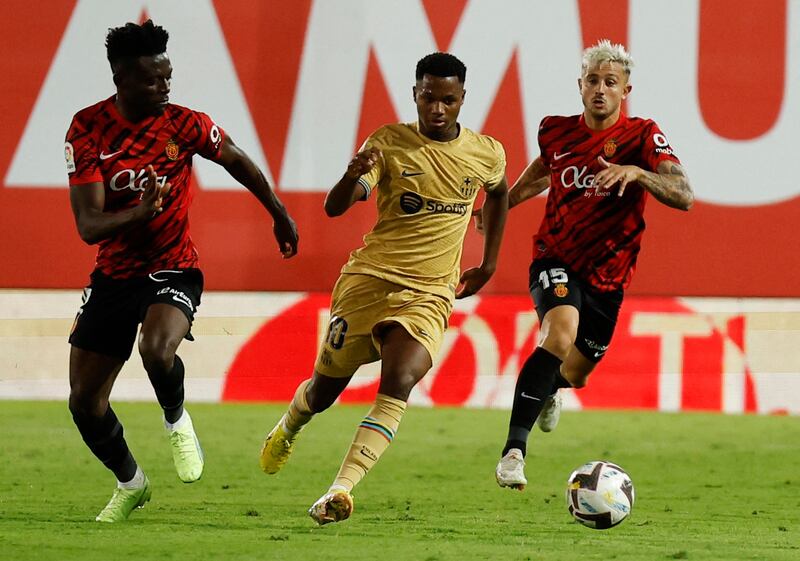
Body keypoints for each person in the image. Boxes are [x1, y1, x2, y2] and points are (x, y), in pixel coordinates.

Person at [259, 52, 509, 524]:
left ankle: (340, 489)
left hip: (431, 292)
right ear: (415, 93)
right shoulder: (389, 143)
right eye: (429, 97)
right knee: (324, 391)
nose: (438, 108)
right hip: (369, 282)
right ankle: (290, 425)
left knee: (401, 379)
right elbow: (337, 207)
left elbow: (499, 193)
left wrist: (489, 262)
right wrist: (352, 176)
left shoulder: (487, 152)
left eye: (448, 100)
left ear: (462, 100)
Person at [64, 20, 298, 522]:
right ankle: (131, 483)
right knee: (84, 401)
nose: (165, 87)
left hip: (174, 266)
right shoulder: (87, 129)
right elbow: (88, 225)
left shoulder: (184, 123)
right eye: (152, 80)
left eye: (168, 77)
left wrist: (278, 212)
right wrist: (139, 212)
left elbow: (235, 158)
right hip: (113, 275)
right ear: (121, 78)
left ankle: (176, 420)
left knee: (156, 348)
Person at [482, 39, 694, 490]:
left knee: (576, 372)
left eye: (610, 82)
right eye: (593, 80)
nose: (601, 89)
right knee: (558, 334)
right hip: (554, 257)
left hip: (610, 275)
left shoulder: (642, 136)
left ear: (625, 90)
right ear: (580, 86)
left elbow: (684, 195)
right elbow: (544, 170)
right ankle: (513, 453)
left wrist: (638, 173)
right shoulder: (555, 131)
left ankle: (551, 389)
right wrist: (501, 206)